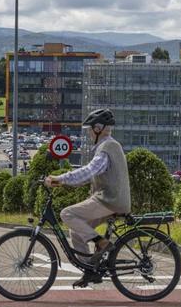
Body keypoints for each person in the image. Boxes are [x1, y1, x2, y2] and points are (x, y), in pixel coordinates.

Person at [44, 109, 131, 288]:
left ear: (98, 128)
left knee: (67, 214)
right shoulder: (107, 146)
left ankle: (102, 242)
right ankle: (90, 270)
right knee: (76, 231)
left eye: (90, 129)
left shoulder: (107, 148)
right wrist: (62, 183)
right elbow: (90, 177)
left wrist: (61, 178)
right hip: (108, 200)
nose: (89, 133)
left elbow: (89, 171)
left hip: (109, 199)